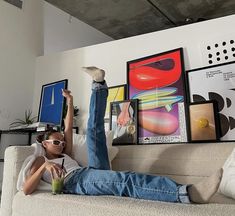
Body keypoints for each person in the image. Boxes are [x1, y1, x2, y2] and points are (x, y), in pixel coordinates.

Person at [22, 66, 223, 204]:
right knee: (125, 180)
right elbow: (25, 189)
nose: (62, 142)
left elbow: (67, 126)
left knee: (93, 130)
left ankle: (98, 84)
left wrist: (70, 99)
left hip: (89, 171)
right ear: (44, 143)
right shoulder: (40, 159)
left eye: (62, 140)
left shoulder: (65, 152)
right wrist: (44, 167)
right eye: (56, 141)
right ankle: (186, 193)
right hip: (75, 182)